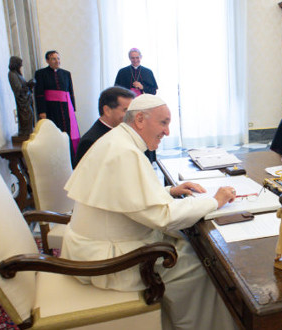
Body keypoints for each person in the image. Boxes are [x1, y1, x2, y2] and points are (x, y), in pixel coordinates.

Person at [61, 94, 237, 329]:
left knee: (189, 246)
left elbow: (128, 196)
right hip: (107, 260)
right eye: (163, 123)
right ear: (140, 119)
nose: (167, 132)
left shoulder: (118, 141)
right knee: (200, 266)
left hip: (99, 246)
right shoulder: (126, 152)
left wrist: (169, 190)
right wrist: (215, 201)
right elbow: (164, 217)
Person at [34, 50, 80, 160]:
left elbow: (70, 91)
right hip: (51, 109)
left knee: (67, 132)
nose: (57, 61)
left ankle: (71, 159)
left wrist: (72, 108)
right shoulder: (40, 74)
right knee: (54, 133)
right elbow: (39, 94)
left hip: (65, 109)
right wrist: (42, 111)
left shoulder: (66, 73)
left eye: (58, 58)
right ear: (47, 60)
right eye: (53, 59)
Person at [74, 87, 135, 165]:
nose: (131, 116)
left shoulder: (123, 131)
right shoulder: (90, 142)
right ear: (107, 111)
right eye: (126, 110)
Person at [8, 56, 35, 137]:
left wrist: (30, 84)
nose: (21, 66)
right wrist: (28, 85)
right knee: (26, 116)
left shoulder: (18, 74)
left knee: (30, 116)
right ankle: (25, 132)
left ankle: (28, 132)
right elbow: (18, 89)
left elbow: (23, 85)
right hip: (22, 101)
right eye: (20, 64)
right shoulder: (12, 74)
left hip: (26, 98)